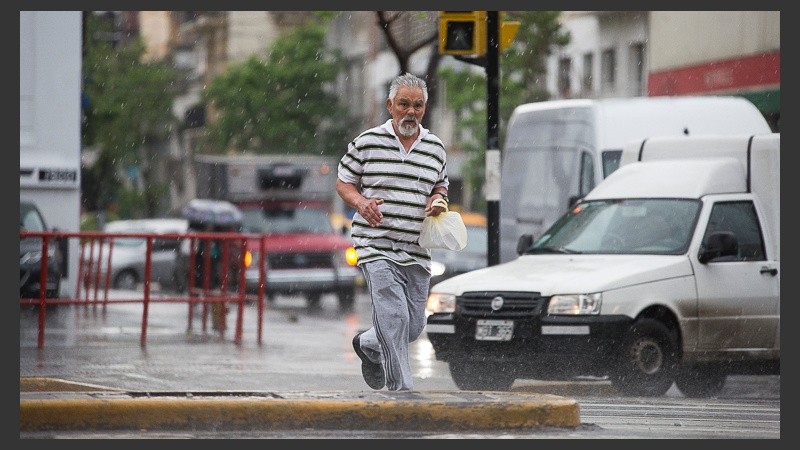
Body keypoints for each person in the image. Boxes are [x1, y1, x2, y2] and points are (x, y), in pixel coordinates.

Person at [336, 72, 449, 391]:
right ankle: (403, 390)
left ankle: (369, 345)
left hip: (416, 250)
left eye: (417, 105)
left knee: (413, 326)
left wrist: (438, 200)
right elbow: (344, 182)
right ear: (390, 105)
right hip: (376, 246)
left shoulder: (435, 148)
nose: (410, 112)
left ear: (424, 108)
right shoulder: (367, 142)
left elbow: (440, 185)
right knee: (395, 318)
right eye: (403, 104)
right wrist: (361, 202)